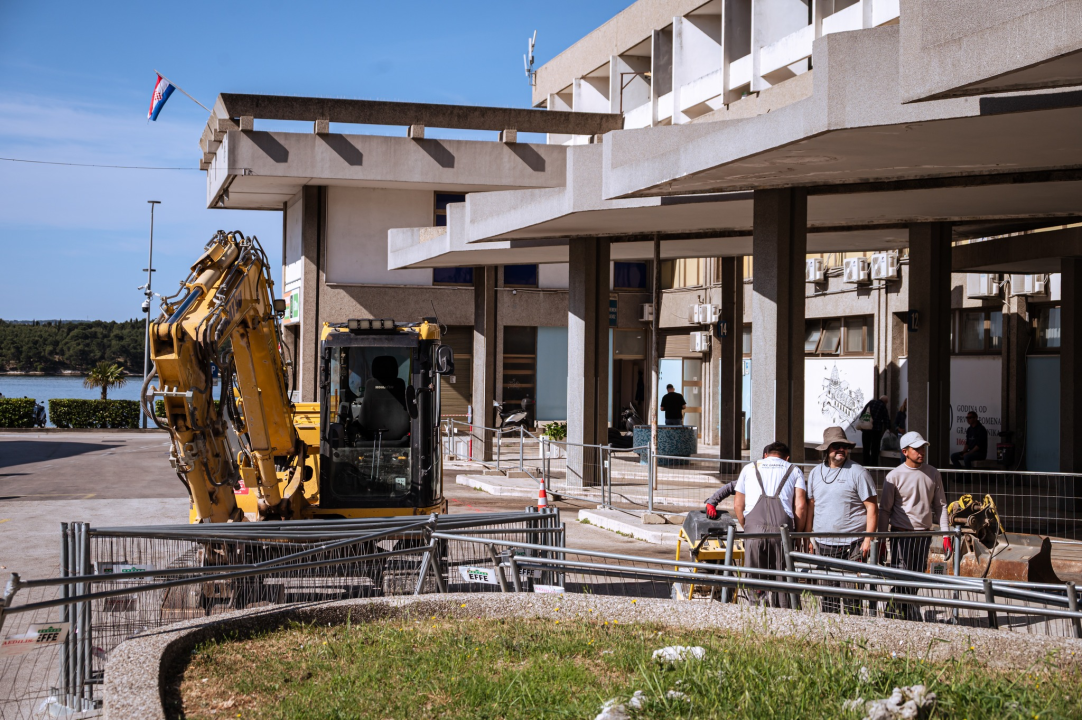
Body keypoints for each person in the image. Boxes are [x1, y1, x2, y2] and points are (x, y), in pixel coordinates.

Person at [878, 431, 951, 621]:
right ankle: (898, 611)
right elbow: (884, 510)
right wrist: (881, 540)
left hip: (924, 535)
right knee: (901, 576)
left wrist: (946, 535)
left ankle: (902, 610)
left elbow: (941, 505)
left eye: (922, 448)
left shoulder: (933, 473)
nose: (921, 452)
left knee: (917, 576)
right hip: (901, 534)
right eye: (916, 448)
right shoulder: (894, 476)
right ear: (905, 451)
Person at [806, 426, 878, 614]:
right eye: (835, 446)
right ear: (826, 450)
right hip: (823, 544)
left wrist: (868, 539)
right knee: (827, 595)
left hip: (852, 544)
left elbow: (872, 507)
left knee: (851, 595)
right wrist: (808, 536)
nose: (840, 450)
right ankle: (830, 637)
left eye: (843, 446)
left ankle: (853, 638)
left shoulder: (858, 472)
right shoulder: (815, 473)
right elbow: (811, 506)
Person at [733, 442, 807, 609]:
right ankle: (785, 619)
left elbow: (738, 505)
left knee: (755, 581)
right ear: (787, 457)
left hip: (753, 532)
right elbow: (801, 507)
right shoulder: (794, 470)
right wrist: (797, 534)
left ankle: (758, 618)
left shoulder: (749, 468)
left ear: (765, 455)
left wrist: (748, 528)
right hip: (782, 533)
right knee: (783, 580)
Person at [858, 395, 892, 467]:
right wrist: (889, 428)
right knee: (875, 448)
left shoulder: (871, 402)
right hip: (876, 430)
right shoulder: (882, 406)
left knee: (866, 447)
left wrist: (862, 424)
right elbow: (886, 418)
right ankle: (873, 464)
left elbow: (863, 413)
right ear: (885, 402)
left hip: (866, 429)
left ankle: (866, 464)